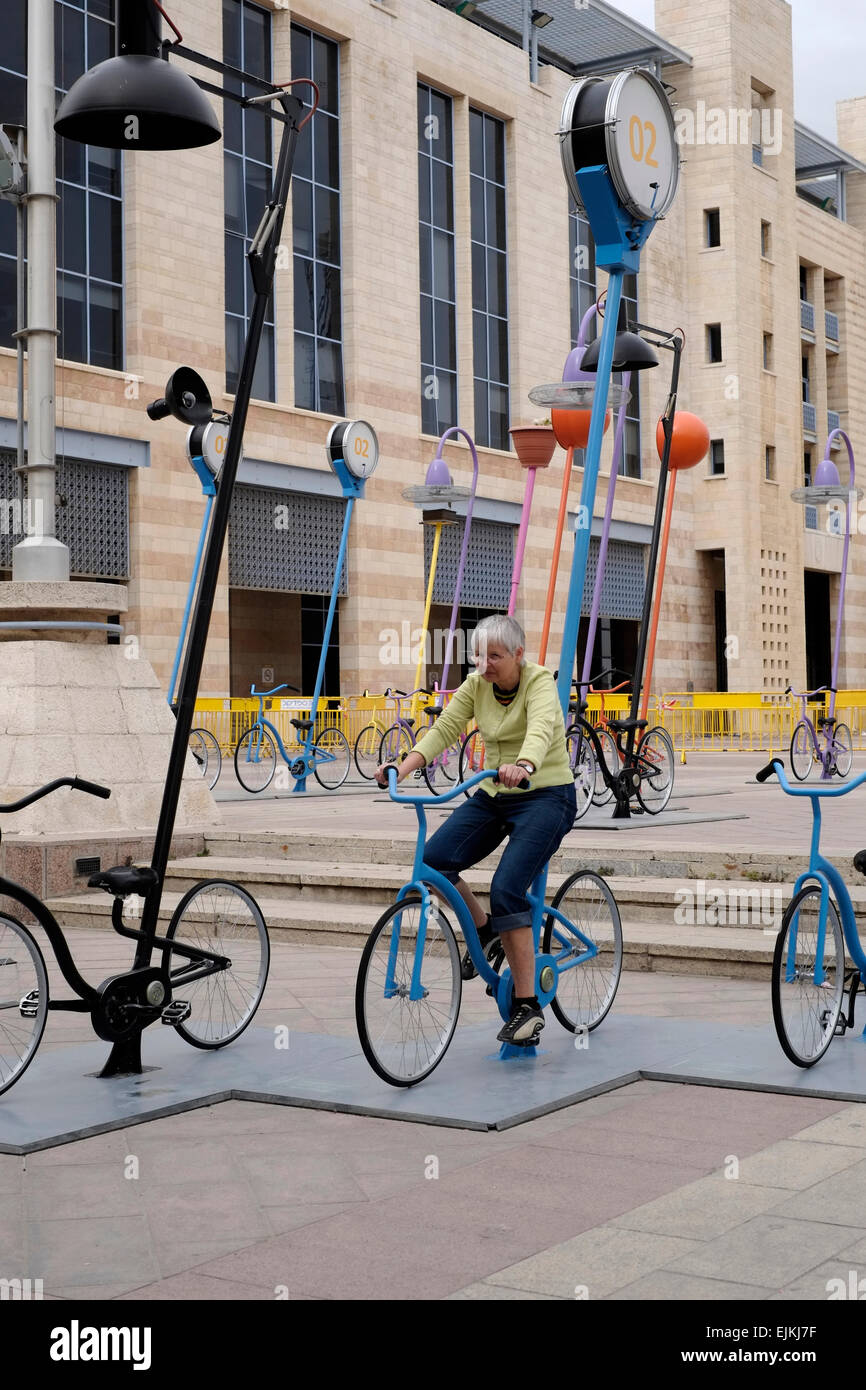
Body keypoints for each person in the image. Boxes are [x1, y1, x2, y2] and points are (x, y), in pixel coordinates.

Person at [376, 615, 576, 1045]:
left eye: (495, 657)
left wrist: (524, 764)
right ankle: (486, 930)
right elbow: (444, 729)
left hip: (546, 795)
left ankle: (528, 1007)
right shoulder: (476, 685)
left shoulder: (538, 683)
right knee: (433, 861)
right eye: (479, 656)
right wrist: (402, 766)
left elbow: (541, 728)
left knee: (507, 887)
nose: (484, 665)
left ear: (519, 655)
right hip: (494, 793)